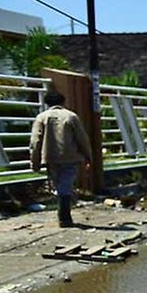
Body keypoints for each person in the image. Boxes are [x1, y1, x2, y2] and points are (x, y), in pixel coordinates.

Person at [29, 90, 92, 228]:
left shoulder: (41, 117)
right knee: (65, 185)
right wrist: (88, 156)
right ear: (63, 102)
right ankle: (64, 216)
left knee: (59, 185)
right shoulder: (71, 116)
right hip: (70, 157)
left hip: (50, 158)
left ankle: (64, 212)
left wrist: (35, 162)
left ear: (47, 103)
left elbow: (35, 141)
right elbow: (82, 139)